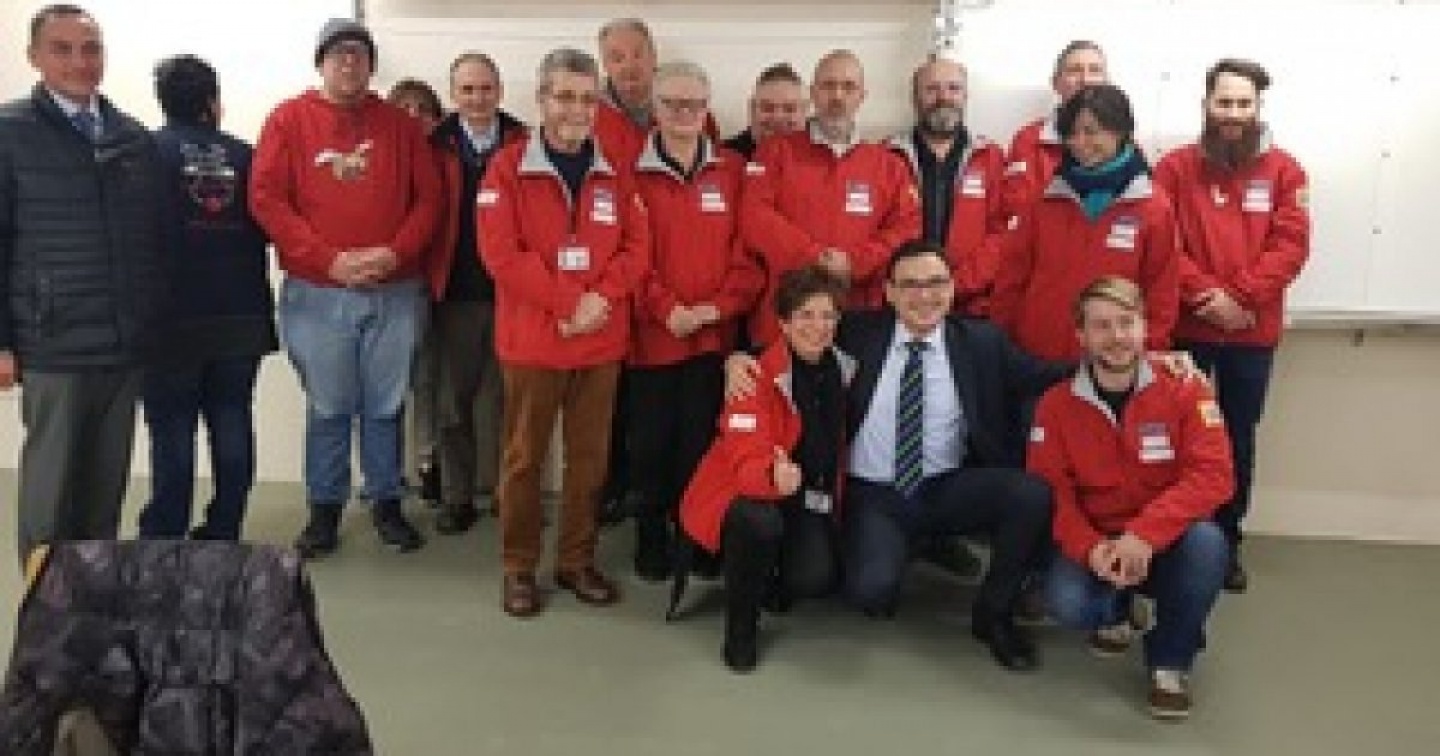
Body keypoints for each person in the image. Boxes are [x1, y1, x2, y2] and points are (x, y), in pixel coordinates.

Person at [250, 17, 441, 557]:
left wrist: (395, 252)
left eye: (359, 53)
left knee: (386, 404)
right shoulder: (288, 120)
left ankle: (386, 501)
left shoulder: (400, 126)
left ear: (372, 64)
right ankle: (324, 510)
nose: (349, 62)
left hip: (394, 290)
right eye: (338, 54)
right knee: (330, 405)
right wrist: (327, 260)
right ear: (321, 63)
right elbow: (266, 198)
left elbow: (429, 200)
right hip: (318, 291)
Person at [477, 47, 648, 618]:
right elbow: (502, 255)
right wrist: (569, 302)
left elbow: (636, 248)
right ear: (541, 99)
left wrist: (599, 299)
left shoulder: (615, 171)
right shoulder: (505, 170)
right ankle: (518, 567)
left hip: (600, 342)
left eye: (587, 98)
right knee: (524, 460)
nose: (577, 109)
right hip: (534, 343)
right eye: (564, 97)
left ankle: (576, 561)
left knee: (590, 461)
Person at [0, 4, 165, 563]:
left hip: (121, 347)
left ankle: (93, 602)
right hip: (53, 343)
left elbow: (152, 243)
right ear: (34, 57)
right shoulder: (9, 133)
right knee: (49, 499)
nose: (79, 62)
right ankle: (44, 607)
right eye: (63, 49)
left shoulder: (132, 137)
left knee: (103, 497)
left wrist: (148, 322)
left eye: (90, 49)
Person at [1028, 275, 1234, 720]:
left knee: (1208, 546)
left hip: (1168, 538)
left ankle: (1170, 662)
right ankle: (1117, 609)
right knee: (1069, 604)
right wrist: (1092, 550)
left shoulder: (1186, 388)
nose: (1117, 336)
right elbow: (1054, 493)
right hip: (1099, 539)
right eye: (1101, 326)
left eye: (1126, 323)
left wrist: (1143, 536)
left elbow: (1214, 477)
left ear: (1144, 327)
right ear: (1081, 335)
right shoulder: (1055, 406)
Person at [1153, 59, 1309, 592]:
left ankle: (1225, 545)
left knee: (1235, 440)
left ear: (1258, 108)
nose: (1234, 113)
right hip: (1187, 331)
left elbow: (1290, 247)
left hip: (1251, 335)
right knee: (1176, 438)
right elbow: (1164, 244)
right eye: (1224, 102)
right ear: (1206, 105)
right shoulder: (1173, 169)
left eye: (1244, 103)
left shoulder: (1286, 172)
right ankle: (1175, 539)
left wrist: (1238, 297)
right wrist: (1206, 297)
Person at [626, 61, 761, 580]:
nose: (684, 113)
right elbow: (627, 254)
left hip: (713, 340)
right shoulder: (627, 172)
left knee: (702, 447)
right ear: (654, 108)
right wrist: (667, 310)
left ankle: (697, 536)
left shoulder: (733, 170)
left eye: (694, 104)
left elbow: (748, 254)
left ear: (707, 108)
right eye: (672, 103)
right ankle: (650, 536)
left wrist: (715, 309)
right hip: (651, 340)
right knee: (650, 448)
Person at [679, 265, 851, 672]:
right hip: (746, 493)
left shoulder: (846, 368)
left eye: (828, 315)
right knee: (758, 521)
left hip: (810, 495)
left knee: (815, 578)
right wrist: (771, 476)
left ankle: (773, 575)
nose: (818, 326)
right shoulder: (753, 375)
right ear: (784, 323)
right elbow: (745, 455)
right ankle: (741, 627)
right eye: (806, 315)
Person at [138, 54, 278, 541]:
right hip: (241, 312)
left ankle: (165, 534)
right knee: (232, 418)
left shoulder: (145, 154)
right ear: (213, 102)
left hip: (169, 317)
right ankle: (224, 527)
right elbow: (269, 226)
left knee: (172, 429)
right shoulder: (246, 156)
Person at [742, 49, 921, 345]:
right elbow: (755, 218)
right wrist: (815, 258)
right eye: (828, 86)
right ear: (813, 93)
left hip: (859, 317)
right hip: (785, 319)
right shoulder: (774, 153)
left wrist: (854, 263)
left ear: (862, 95)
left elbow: (906, 229)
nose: (837, 96)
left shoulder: (889, 165)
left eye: (848, 87)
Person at [990, 83, 1180, 363]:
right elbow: (1012, 277)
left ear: (1120, 131)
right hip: (1038, 354)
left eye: (1091, 131)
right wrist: (1001, 342)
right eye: (1071, 133)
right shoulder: (1044, 199)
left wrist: (1147, 351)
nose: (1079, 143)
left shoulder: (1152, 206)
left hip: (1113, 359)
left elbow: (1162, 290)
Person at [421, 52, 526, 534]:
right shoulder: (433, 145)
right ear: (452, 94)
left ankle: (511, 496)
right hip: (455, 294)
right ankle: (457, 497)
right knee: (452, 404)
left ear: (500, 91)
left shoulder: (524, 143)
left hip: (514, 295)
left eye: (486, 89)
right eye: (467, 90)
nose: (478, 98)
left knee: (512, 403)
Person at [887, 54, 1008, 317]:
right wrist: (909, 287)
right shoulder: (886, 156)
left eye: (954, 88)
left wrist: (956, 286)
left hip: (971, 306)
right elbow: (881, 233)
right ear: (914, 98)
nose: (944, 97)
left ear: (965, 96)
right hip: (902, 305)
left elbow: (1001, 235)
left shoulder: (991, 157)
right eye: (932, 89)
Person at [594, 17, 720, 170]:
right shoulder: (590, 114)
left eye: (638, 55)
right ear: (604, 65)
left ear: (654, 56)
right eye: (617, 58)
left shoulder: (693, 109)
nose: (629, 65)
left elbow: (714, 171)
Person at [1003, 39, 1109, 217]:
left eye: (1095, 70)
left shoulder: (1125, 144)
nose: (1085, 80)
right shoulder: (1028, 140)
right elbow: (1014, 209)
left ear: (1106, 83)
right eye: (1075, 70)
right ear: (1056, 83)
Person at [723, 62, 808, 160]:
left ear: (805, 111)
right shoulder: (724, 156)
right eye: (767, 108)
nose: (778, 117)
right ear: (752, 110)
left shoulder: (819, 154)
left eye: (789, 109)